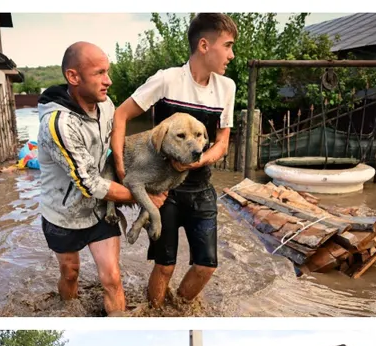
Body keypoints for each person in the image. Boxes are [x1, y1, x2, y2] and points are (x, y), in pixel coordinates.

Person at [111, 13, 237, 308]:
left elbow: (222, 143)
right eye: (228, 46)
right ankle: (155, 313)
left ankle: (178, 309)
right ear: (204, 45)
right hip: (163, 189)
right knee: (164, 265)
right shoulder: (167, 80)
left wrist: (196, 161)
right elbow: (121, 115)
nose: (231, 55)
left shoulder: (226, 88)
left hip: (201, 189)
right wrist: (120, 170)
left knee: (206, 266)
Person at [37, 42, 168, 316]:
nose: (108, 81)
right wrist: (143, 197)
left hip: (100, 212)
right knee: (71, 273)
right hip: (63, 215)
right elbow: (90, 185)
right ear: (73, 77)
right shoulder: (59, 125)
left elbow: (120, 145)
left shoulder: (106, 104)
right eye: (99, 73)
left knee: (112, 278)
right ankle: (69, 313)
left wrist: (155, 170)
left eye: (107, 71)